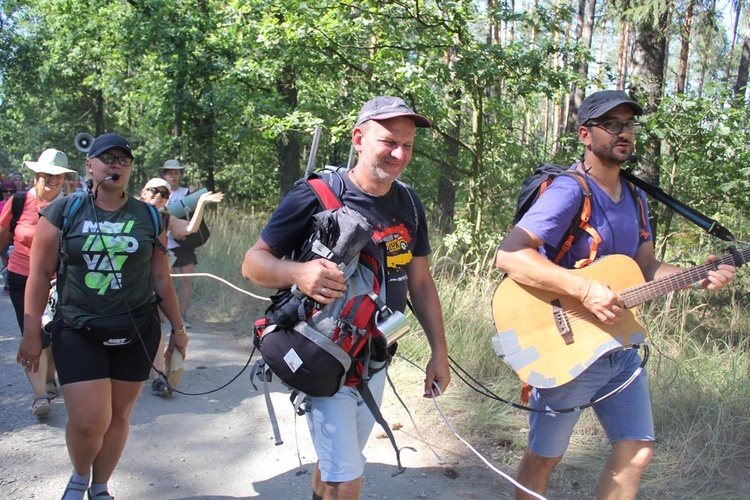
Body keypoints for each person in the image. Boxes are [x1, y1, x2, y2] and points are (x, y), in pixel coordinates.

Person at [494, 90, 736, 499]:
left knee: (637, 449)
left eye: (628, 125)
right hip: (566, 342)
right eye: (612, 125)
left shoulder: (638, 199)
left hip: (619, 346)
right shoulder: (570, 191)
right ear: (586, 135)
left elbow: (643, 268)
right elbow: (510, 255)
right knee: (545, 457)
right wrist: (585, 289)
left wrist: (697, 276)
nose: (623, 133)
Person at [242, 96, 451, 500]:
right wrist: (298, 273)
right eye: (388, 141)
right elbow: (253, 263)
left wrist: (438, 351)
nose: (398, 153)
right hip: (324, 352)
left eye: (407, 145)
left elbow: (421, 282)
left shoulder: (408, 202)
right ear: (359, 138)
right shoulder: (316, 193)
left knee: (338, 463)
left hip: (376, 357)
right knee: (347, 478)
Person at [16, 133, 187, 500]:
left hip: (137, 329)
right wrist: (32, 332)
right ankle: (79, 478)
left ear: (130, 168)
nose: (115, 165)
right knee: (89, 420)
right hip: (78, 329)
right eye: (106, 158)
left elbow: (160, 275)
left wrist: (178, 327)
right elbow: (39, 273)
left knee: (120, 416)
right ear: (89, 165)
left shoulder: (149, 216)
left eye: (123, 160)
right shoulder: (63, 211)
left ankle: (101, 486)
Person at [0, 149, 74, 417]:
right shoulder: (20, 202)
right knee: (33, 333)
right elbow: (3, 234)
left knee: (54, 332)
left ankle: (50, 378)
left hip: (61, 279)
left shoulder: (72, 205)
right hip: (23, 277)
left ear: (65, 177)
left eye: (58, 175)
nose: (52, 179)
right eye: (47, 174)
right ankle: (40, 394)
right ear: (36, 174)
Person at [139, 177, 223, 396]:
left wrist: (201, 203)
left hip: (154, 277)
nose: (158, 195)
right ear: (143, 192)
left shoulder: (165, 217)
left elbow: (190, 228)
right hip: (129, 281)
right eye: (154, 191)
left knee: (155, 324)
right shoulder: (128, 212)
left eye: (164, 193)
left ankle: (158, 376)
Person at [158, 159, 197, 328]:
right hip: (167, 243)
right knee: (168, 279)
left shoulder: (188, 192)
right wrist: (173, 230)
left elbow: (197, 217)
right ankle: (167, 314)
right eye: (169, 173)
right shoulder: (160, 193)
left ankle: (183, 315)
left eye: (176, 173)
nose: (172, 176)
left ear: (180, 174)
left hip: (186, 244)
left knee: (186, 279)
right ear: (164, 175)